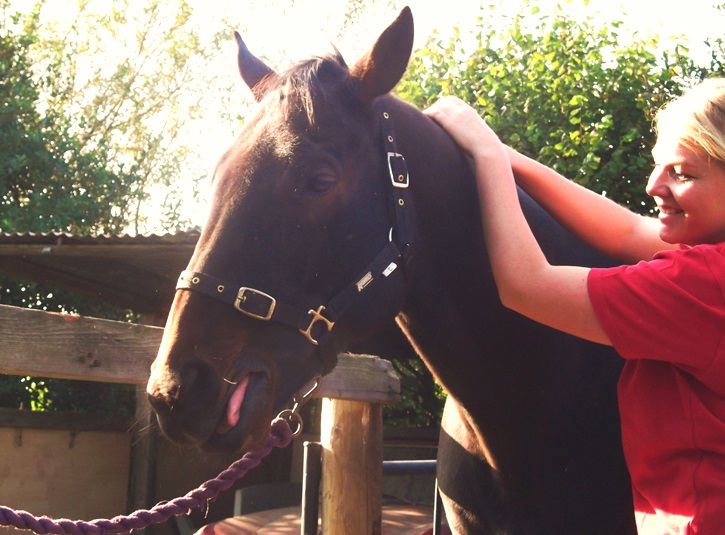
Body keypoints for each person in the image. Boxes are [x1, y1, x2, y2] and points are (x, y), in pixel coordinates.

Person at [424, 77, 725, 534]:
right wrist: (509, 157)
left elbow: (527, 286)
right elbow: (627, 231)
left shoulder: (700, 285)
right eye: (657, 166)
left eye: (682, 173)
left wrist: (487, 156)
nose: (652, 185)